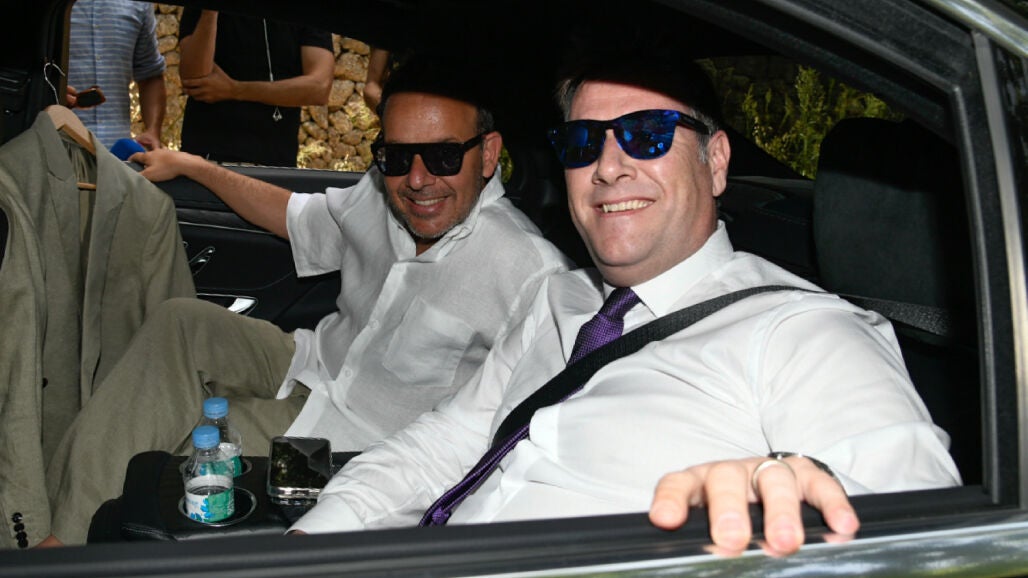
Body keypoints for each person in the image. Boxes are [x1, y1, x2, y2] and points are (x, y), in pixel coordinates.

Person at [285, 45, 961, 557]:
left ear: (716, 161)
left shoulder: (803, 332)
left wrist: (792, 490)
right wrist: (307, 546)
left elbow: (926, 526)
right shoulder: (557, 299)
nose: (608, 167)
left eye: (647, 134)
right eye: (583, 144)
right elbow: (441, 446)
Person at [40, 56, 571, 546]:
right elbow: (298, 219)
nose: (416, 179)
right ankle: (60, 531)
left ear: (489, 154)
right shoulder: (382, 191)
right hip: (311, 361)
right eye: (397, 155)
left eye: (443, 155)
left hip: (347, 440)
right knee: (180, 322)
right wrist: (194, 166)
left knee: (185, 447)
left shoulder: (530, 274)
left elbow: (515, 441)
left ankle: (63, 544)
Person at [177, 9, 334, 167]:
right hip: (207, 156)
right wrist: (210, 14)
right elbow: (194, 77)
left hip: (276, 161)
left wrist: (235, 90)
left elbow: (319, 88)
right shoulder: (203, 11)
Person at [66, 0, 166, 150]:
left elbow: (150, 73)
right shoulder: (43, 6)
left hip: (116, 153)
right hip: (56, 146)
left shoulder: (138, 4)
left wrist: (153, 131)